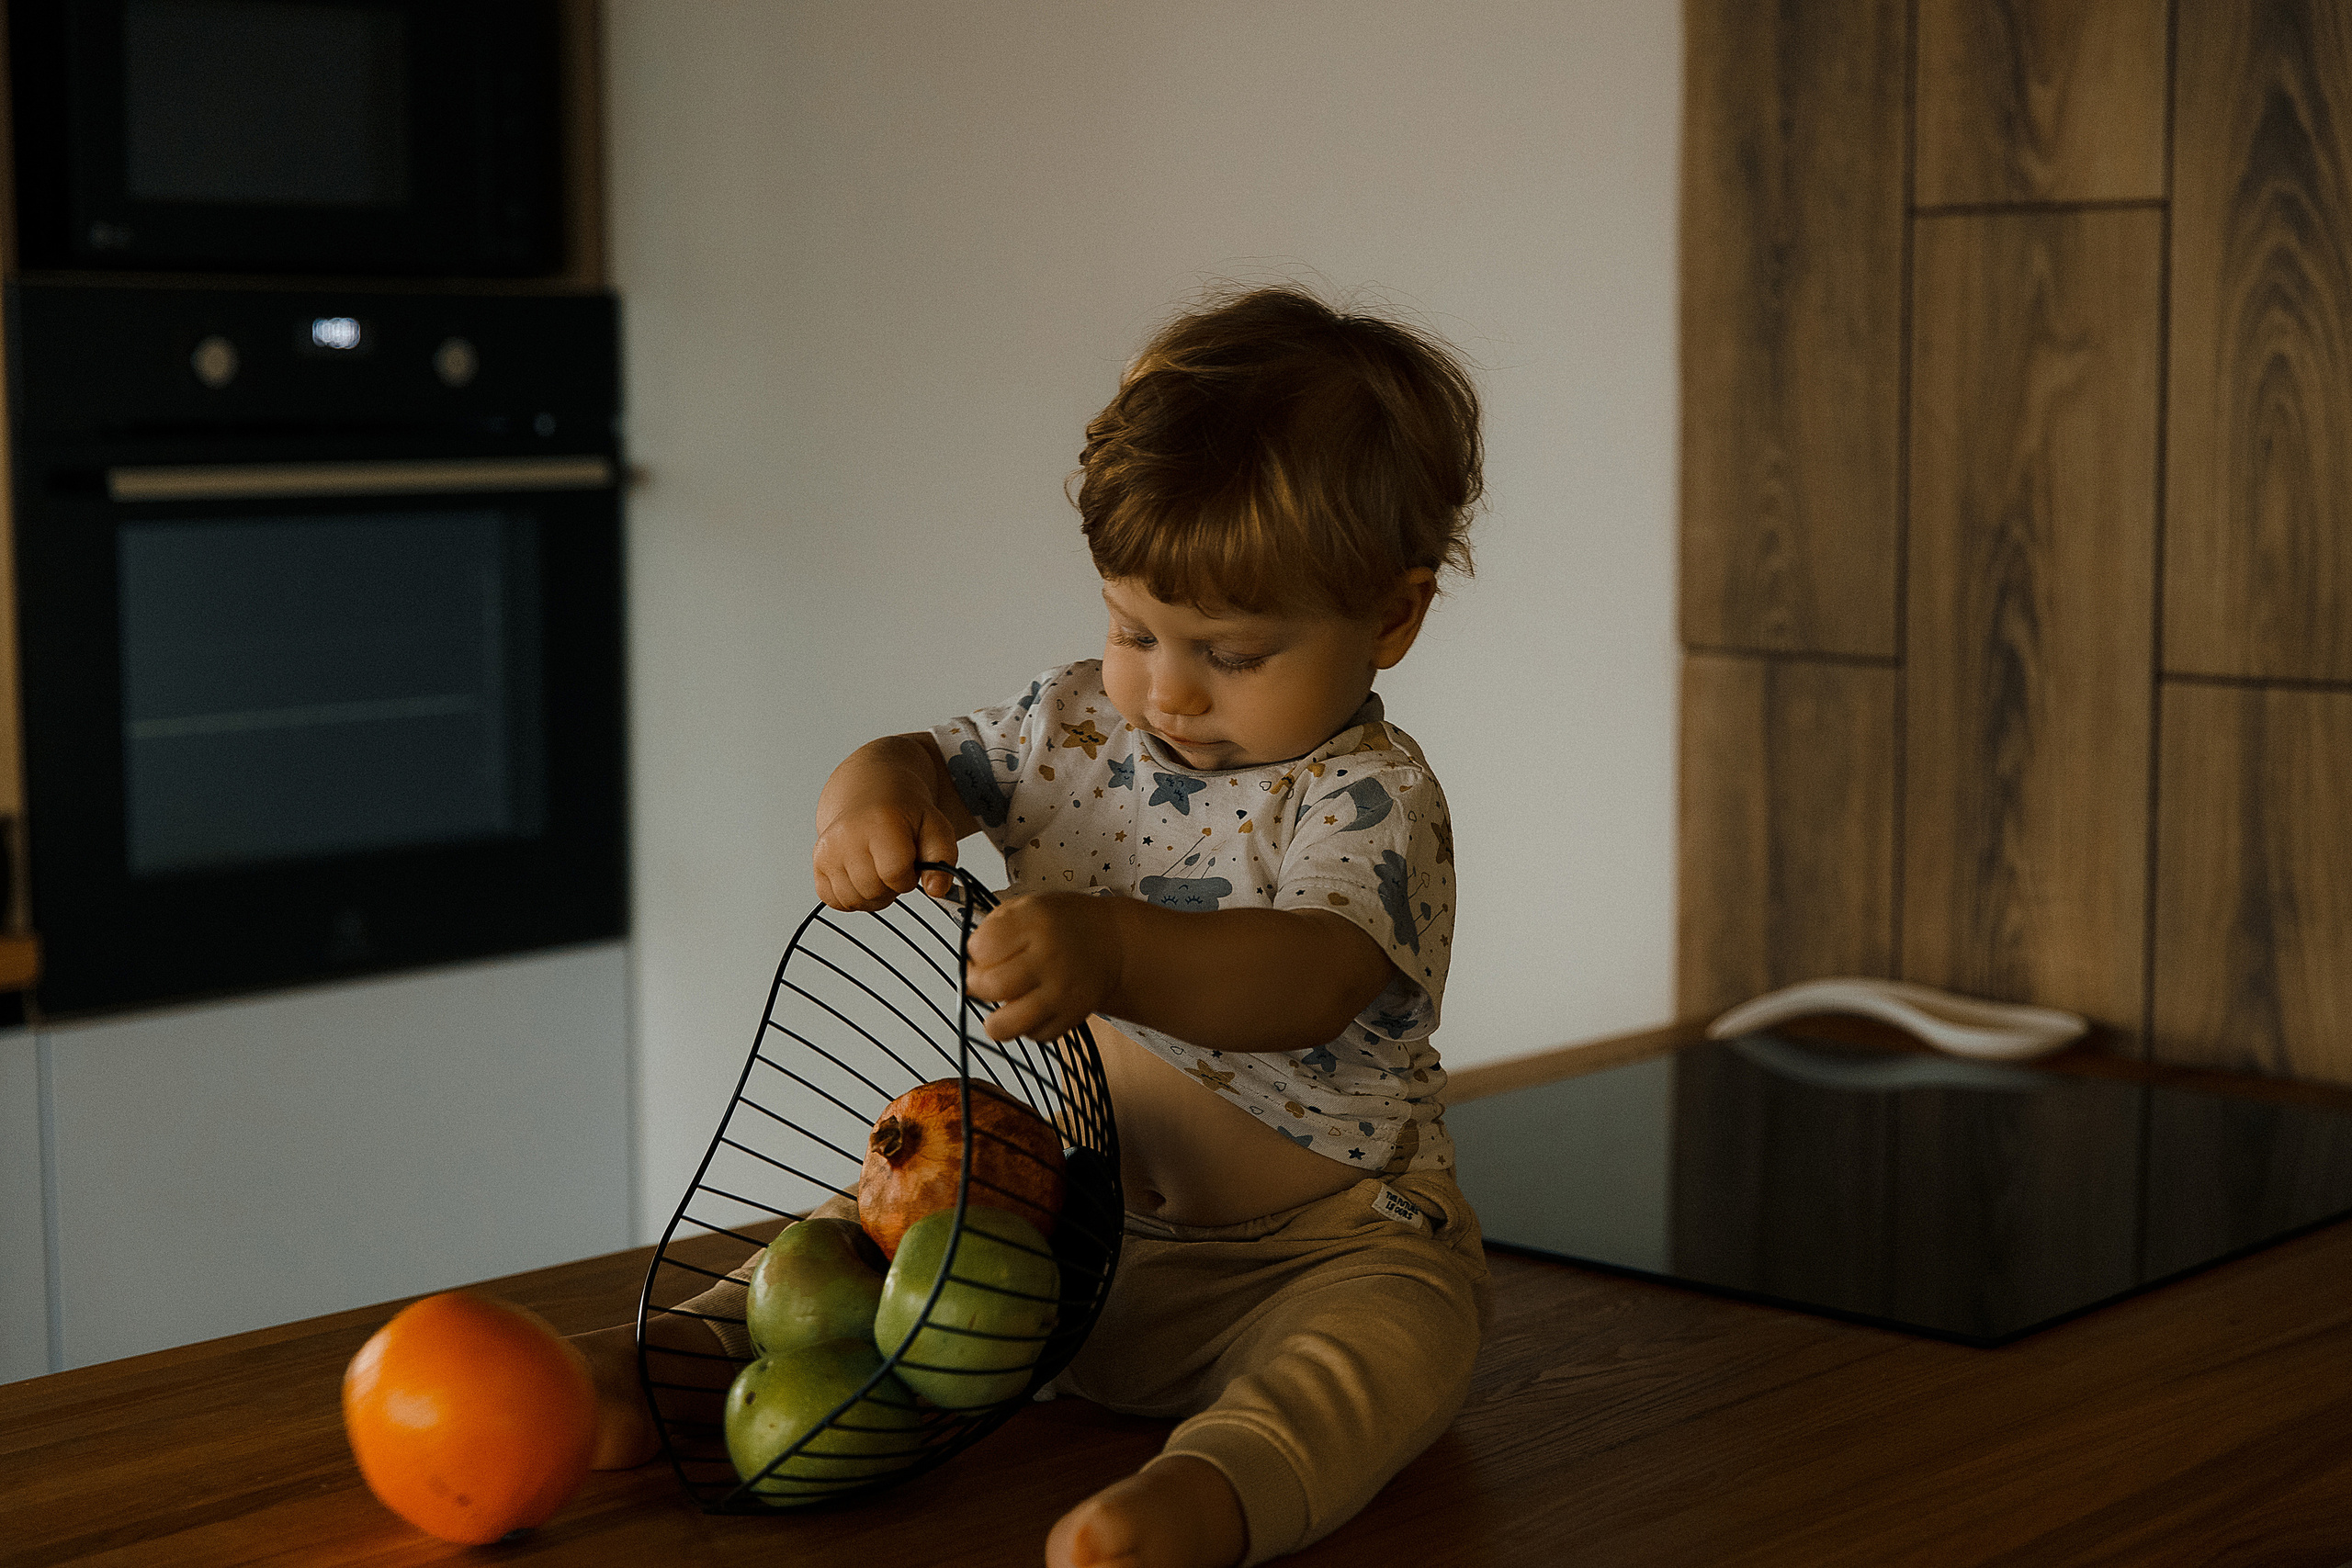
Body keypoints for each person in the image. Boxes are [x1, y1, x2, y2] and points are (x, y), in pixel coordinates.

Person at [573, 285, 1490, 1568]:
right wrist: (875, 798)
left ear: (1391, 617)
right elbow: (926, 760)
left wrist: (1116, 949)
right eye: (1133, 628)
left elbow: (1310, 980)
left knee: (1380, 1355)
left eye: (1231, 653)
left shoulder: (1365, 798)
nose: (1166, 688)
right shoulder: (1070, 726)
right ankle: (673, 1355)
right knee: (857, 1247)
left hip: (1312, 1250)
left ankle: (1207, 1497)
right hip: (1067, 1222)